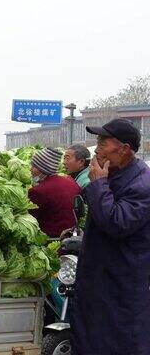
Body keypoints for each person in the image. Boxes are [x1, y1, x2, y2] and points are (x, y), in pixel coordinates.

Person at [71, 119, 150, 355]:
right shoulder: (111, 174)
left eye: (103, 143)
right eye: (97, 142)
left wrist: (99, 185)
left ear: (124, 149)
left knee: (118, 343)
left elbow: (117, 223)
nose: (97, 149)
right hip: (99, 280)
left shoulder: (142, 184)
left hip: (121, 285)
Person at [27, 147, 80, 237]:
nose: (30, 169)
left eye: (34, 166)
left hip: (52, 241)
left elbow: (31, 220)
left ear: (43, 169)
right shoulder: (70, 181)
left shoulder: (38, 191)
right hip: (73, 237)